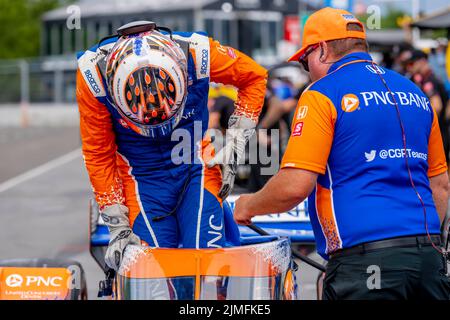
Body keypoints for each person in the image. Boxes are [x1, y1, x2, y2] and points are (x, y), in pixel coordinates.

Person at [233, 7, 450, 300]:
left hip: (365, 261)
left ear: (321, 50)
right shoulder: (415, 93)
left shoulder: (323, 93)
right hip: (428, 258)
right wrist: (418, 246)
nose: (306, 71)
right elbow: (440, 184)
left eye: (304, 62)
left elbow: (295, 185)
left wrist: (247, 205)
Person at [77, 22, 267, 271]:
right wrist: (117, 225)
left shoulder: (197, 52)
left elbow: (254, 77)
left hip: (196, 166)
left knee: (206, 265)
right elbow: (98, 154)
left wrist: (236, 141)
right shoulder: (93, 76)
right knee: (151, 272)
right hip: (141, 179)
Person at [405, 49, 450, 163]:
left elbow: (437, 106)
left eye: (411, 63)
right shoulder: (428, 78)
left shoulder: (429, 80)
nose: (409, 67)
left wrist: (422, 128)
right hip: (440, 134)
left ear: (422, 61)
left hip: (437, 137)